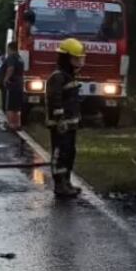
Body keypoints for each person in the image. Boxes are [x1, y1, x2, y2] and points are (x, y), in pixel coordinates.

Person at [46, 38, 86, 198]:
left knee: (70, 153)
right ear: (66, 58)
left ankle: (67, 182)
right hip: (60, 125)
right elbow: (55, 100)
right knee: (60, 153)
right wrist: (60, 119)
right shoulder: (57, 77)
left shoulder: (70, 77)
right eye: (76, 58)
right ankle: (59, 185)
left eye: (80, 58)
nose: (79, 62)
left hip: (70, 125)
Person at [0, 41, 25, 131]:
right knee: (17, 107)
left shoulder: (11, 57)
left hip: (12, 84)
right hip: (19, 84)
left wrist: (6, 79)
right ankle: (17, 124)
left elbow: (10, 68)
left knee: (10, 106)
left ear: (10, 48)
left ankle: (10, 124)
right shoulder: (19, 58)